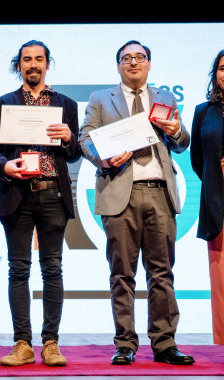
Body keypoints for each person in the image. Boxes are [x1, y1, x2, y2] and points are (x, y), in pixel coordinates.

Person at [79, 40, 194, 365]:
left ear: (148, 64)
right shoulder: (101, 99)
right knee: (121, 274)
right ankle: (125, 344)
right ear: (118, 66)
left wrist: (176, 131)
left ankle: (165, 343)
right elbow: (85, 137)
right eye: (126, 58)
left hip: (159, 191)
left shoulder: (165, 98)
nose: (133, 62)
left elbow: (182, 142)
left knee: (162, 273)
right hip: (118, 190)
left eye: (139, 57)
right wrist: (104, 158)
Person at [0, 40, 81, 367]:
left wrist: (70, 138)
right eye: (27, 59)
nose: (33, 65)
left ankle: (51, 343)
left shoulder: (65, 105)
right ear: (19, 65)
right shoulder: (3, 104)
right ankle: (22, 344)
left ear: (47, 64)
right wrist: (4, 166)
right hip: (17, 193)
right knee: (18, 270)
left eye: (38, 59)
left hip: (53, 192)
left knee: (52, 269)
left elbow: (73, 154)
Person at [190, 49, 224, 346]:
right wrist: (216, 179)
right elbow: (198, 159)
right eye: (223, 68)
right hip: (217, 197)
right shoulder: (203, 111)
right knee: (221, 275)